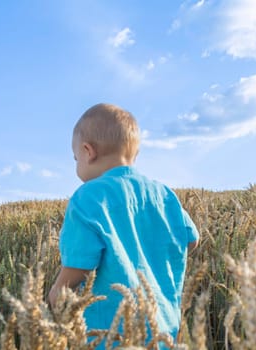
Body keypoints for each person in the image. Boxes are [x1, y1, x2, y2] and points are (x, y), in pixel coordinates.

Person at [48, 103, 199, 348]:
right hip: (164, 329)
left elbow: (80, 264)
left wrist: (56, 293)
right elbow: (191, 240)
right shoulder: (164, 194)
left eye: (76, 159)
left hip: (109, 333)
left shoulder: (87, 197)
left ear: (88, 152)